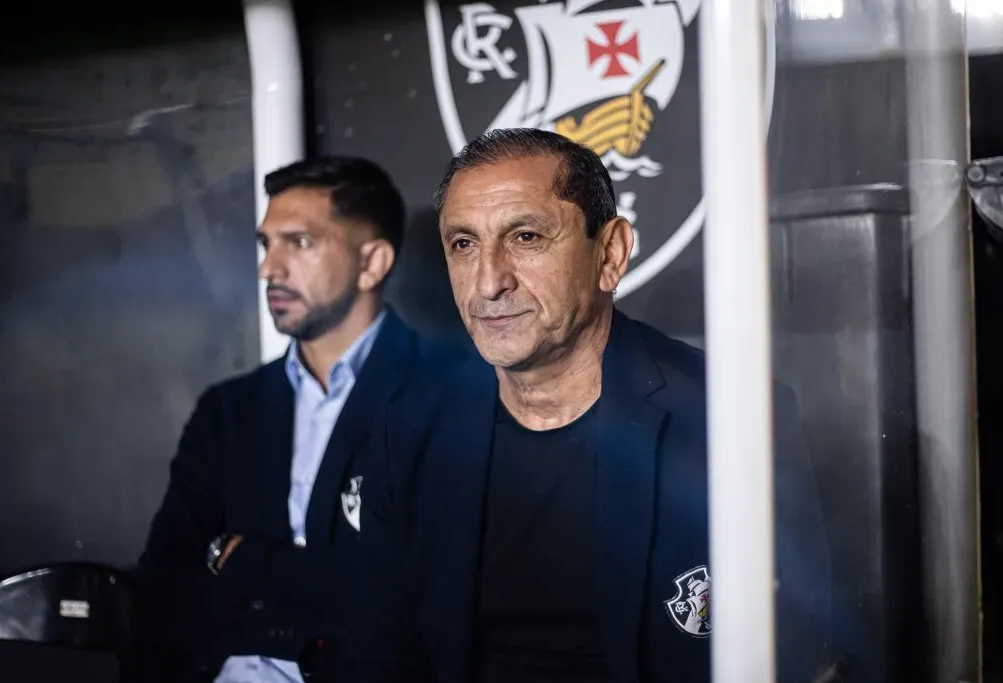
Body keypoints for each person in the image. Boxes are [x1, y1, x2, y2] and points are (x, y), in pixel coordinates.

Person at [344, 129, 835, 683]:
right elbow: (380, 653)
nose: (488, 281)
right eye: (463, 244)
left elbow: (802, 649)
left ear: (610, 253)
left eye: (525, 236)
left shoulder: (731, 418)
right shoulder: (408, 429)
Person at [136, 156, 456, 683]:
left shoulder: (445, 397)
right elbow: (165, 585)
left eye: (299, 242)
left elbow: (416, 599)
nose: (269, 268)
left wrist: (244, 562)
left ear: (371, 262)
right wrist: (324, 585)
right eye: (267, 244)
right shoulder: (229, 410)